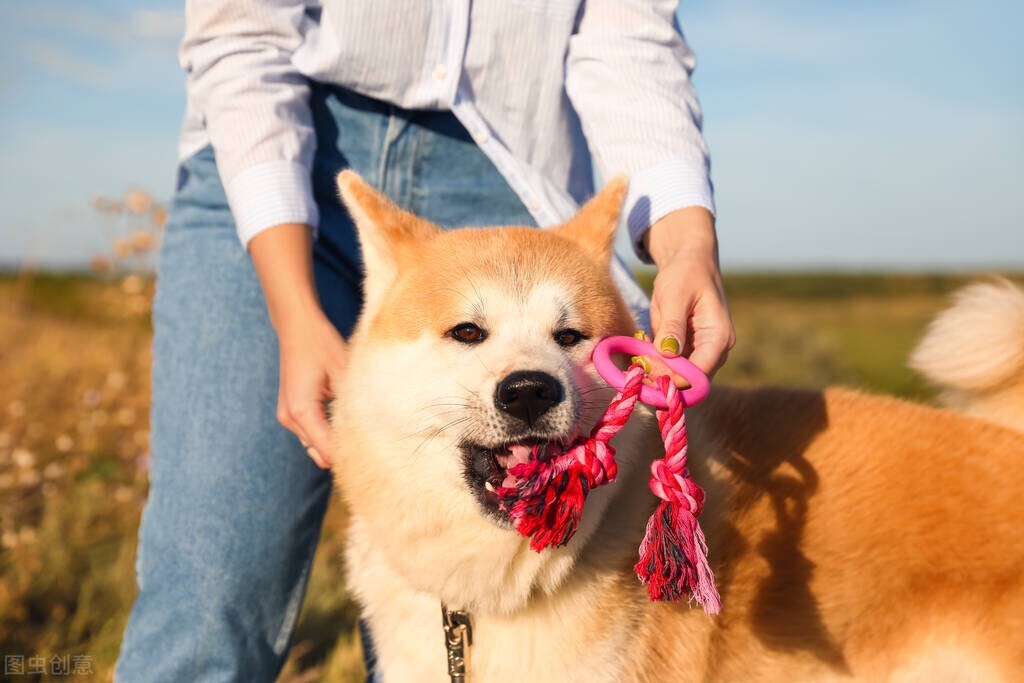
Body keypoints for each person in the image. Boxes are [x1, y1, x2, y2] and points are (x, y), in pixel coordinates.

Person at [115, 1, 735, 680]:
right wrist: (293, 308)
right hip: (271, 138)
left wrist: (685, 241)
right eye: (468, 333)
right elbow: (239, 31)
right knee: (211, 593)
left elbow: (627, 33)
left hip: (508, 157)